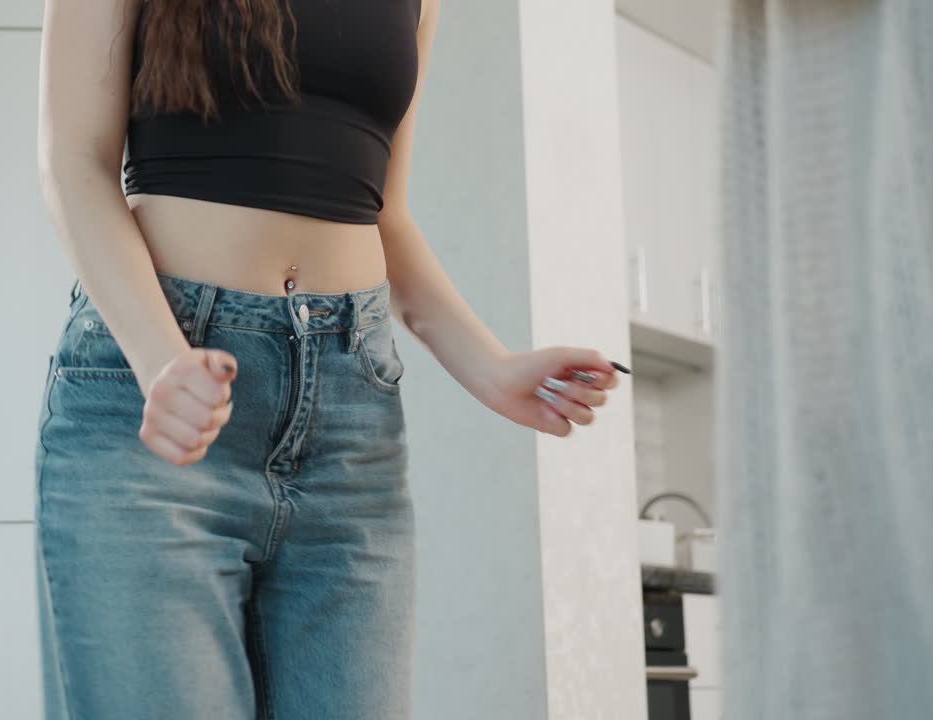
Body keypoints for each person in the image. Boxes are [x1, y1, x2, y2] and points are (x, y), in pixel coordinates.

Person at [32, 1, 624, 718]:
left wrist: (493, 368)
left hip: (348, 418)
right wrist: (162, 360)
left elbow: (384, 212)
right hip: (157, 400)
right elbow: (73, 159)